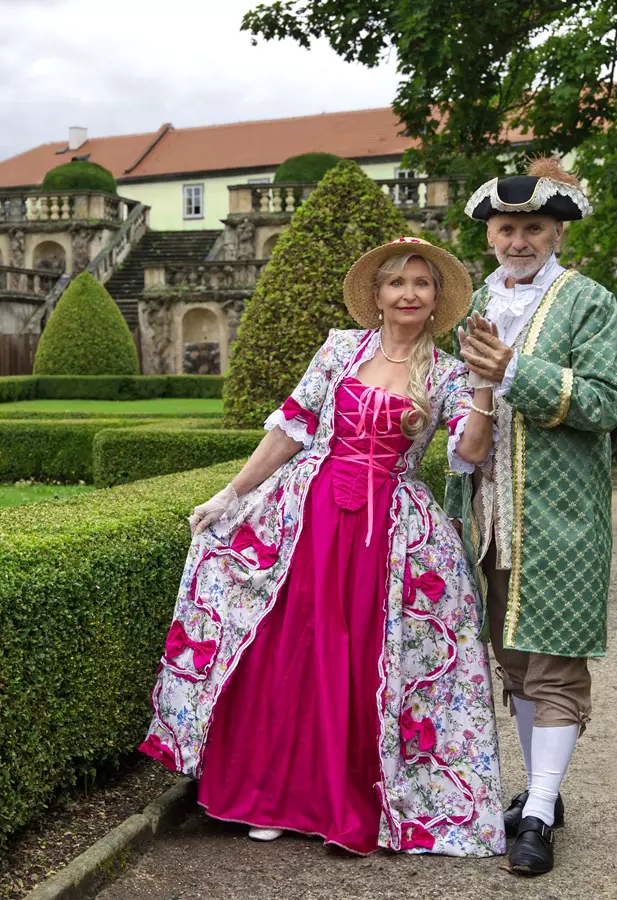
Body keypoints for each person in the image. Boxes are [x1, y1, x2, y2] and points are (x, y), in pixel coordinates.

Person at [140, 237, 505, 858]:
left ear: (436, 299)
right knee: (290, 653)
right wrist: (229, 494)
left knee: (363, 660)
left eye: (423, 284)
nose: (410, 294)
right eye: (398, 283)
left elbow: (469, 454)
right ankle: (269, 797)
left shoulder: (448, 373)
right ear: (379, 296)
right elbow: (291, 429)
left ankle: (351, 802)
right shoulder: (340, 349)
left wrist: (485, 387)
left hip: (391, 533)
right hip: (310, 518)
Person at [446, 157, 617, 875]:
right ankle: (538, 796)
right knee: (514, 659)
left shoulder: (589, 303)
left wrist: (514, 371)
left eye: (533, 228)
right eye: (506, 228)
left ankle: (542, 812)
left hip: (561, 514)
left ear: (556, 233)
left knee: (555, 661)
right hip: (488, 511)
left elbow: (608, 402)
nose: (519, 240)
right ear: (490, 236)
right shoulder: (472, 307)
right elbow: (462, 398)